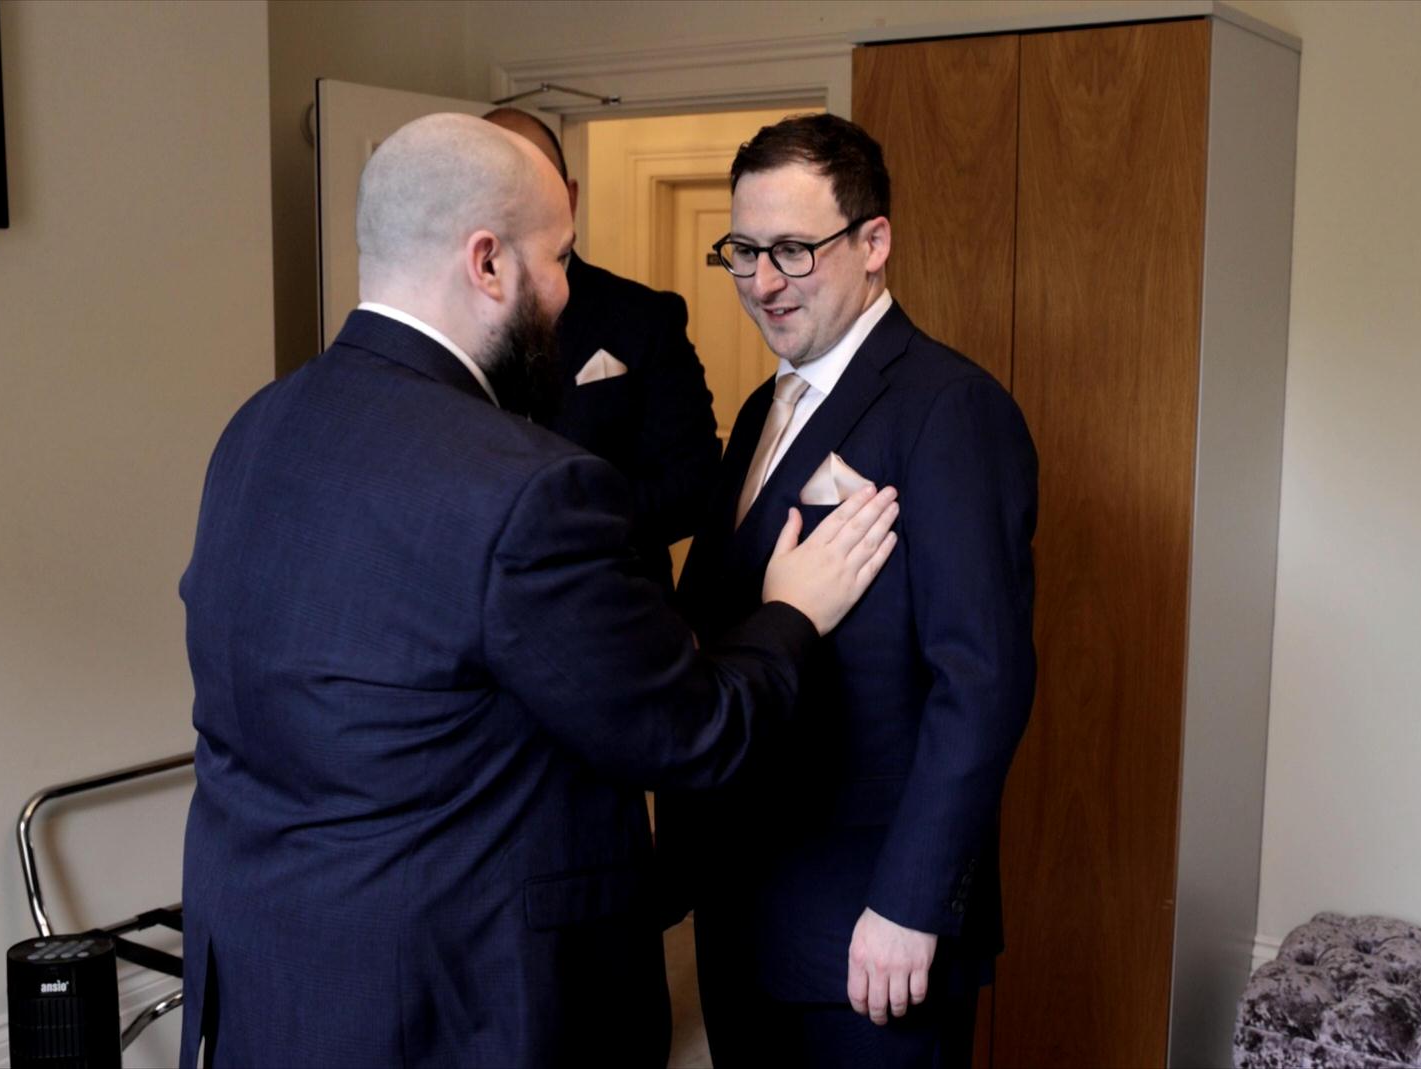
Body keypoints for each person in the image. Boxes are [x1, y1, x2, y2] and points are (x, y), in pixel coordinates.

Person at [176, 112, 899, 1069]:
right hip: (451, 1003)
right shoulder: (526, 489)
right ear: (488, 263)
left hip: (266, 977)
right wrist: (792, 613)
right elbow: (691, 733)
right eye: (558, 258)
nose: (565, 293)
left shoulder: (255, 429)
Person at [660, 114, 1039, 1068]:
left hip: (871, 931)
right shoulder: (764, 407)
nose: (764, 281)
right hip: (744, 908)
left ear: (874, 243)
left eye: (794, 249)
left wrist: (912, 903)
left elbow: (982, 681)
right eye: (744, 251)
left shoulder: (951, 408)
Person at [481, 106, 720, 591]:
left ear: (568, 196)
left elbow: (694, 482)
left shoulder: (644, 317)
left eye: (529, 185)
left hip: (617, 597)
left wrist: (568, 523)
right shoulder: (448, 319)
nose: (510, 207)